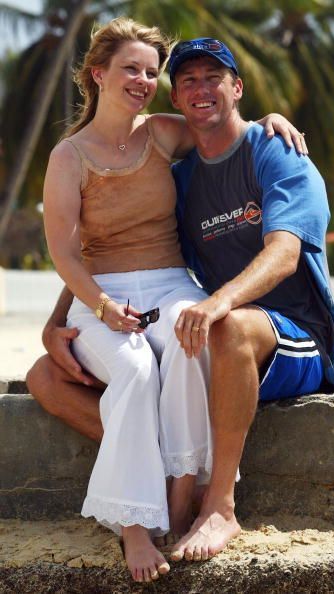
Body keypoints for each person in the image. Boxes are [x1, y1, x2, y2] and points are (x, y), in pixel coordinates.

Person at [27, 19, 306, 583]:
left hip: (171, 283)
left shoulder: (159, 132)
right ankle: (134, 524)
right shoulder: (68, 157)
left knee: (188, 338)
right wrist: (98, 309)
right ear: (97, 74)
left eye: (152, 72)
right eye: (132, 68)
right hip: (101, 292)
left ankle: (179, 501)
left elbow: (224, 128)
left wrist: (269, 121)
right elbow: (65, 254)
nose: (144, 80)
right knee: (132, 368)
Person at [161, 38, 334, 563]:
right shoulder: (180, 181)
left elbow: (285, 253)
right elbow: (118, 237)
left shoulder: (276, 150)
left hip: (300, 336)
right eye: (188, 81)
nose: (202, 89)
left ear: (237, 87)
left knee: (227, 325)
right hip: (230, 331)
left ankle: (221, 507)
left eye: (213, 77)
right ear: (177, 100)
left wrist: (217, 302)